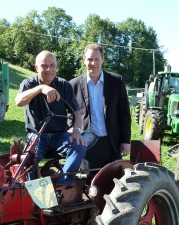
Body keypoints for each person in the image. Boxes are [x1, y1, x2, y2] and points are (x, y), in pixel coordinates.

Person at [15, 50, 87, 192]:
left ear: (56, 67)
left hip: (59, 136)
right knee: (28, 160)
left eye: (52, 65)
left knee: (80, 144)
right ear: (36, 68)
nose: (49, 69)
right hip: (37, 136)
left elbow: (76, 113)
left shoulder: (64, 85)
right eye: (44, 66)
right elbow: (19, 101)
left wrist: (77, 131)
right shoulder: (28, 83)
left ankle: (62, 185)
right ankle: (35, 194)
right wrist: (41, 88)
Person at [70, 43, 131, 173]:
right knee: (88, 183)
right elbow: (70, 115)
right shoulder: (73, 85)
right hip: (87, 144)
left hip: (111, 143)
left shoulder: (116, 81)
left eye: (97, 59)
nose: (93, 63)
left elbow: (124, 113)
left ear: (102, 60)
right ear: (84, 60)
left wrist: (126, 141)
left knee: (113, 182)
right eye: (90, 59)